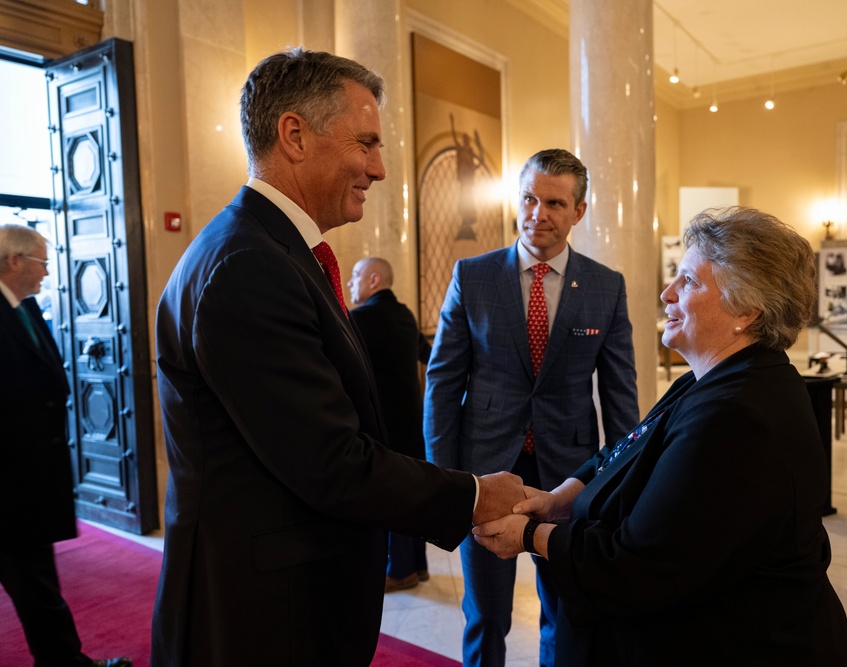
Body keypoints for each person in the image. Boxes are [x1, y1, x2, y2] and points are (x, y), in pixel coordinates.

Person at [152, 49, 524, 666]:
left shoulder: (273, 251)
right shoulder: (249, 265)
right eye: (366, 143)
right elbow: (329, 460)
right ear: (294, 135)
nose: (379, 169)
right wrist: (474, 495)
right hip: (265, 613)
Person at [473, 207, 847, 666]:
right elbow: (627, 449)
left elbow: (638, 566)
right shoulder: (710, 378)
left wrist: (530, 535)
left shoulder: (736, 417)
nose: (666, 292)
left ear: (746, 309)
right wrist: (565, 497)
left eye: (689, 282)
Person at [424, 148, 639, 667]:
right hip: (484, 467)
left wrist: (625, 481)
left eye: (555, 203)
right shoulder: (472, 276)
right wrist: (441, 477)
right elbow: (443, 380)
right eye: (528, 198)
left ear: (579, 211)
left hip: (565, 473)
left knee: (563, 610)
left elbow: (619, 392)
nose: (538, 213)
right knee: (486, 614)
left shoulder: (606, 286)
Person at [0, 224, 131, 667]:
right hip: (10, 478)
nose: (47, 271)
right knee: (35, 582)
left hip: (32, 472)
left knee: (37, 581)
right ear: (13, 261)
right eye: (41, 262)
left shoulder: (27, 307)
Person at [347, 256, 433, 592]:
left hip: (381, 427)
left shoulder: (361, 318)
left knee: (392, 495)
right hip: (413, 421)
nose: (350, 283)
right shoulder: (405, 315)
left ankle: (401, 570)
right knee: (415, 493)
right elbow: (430, 356)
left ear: (373, 280)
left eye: (355, 276)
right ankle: (419, 565)